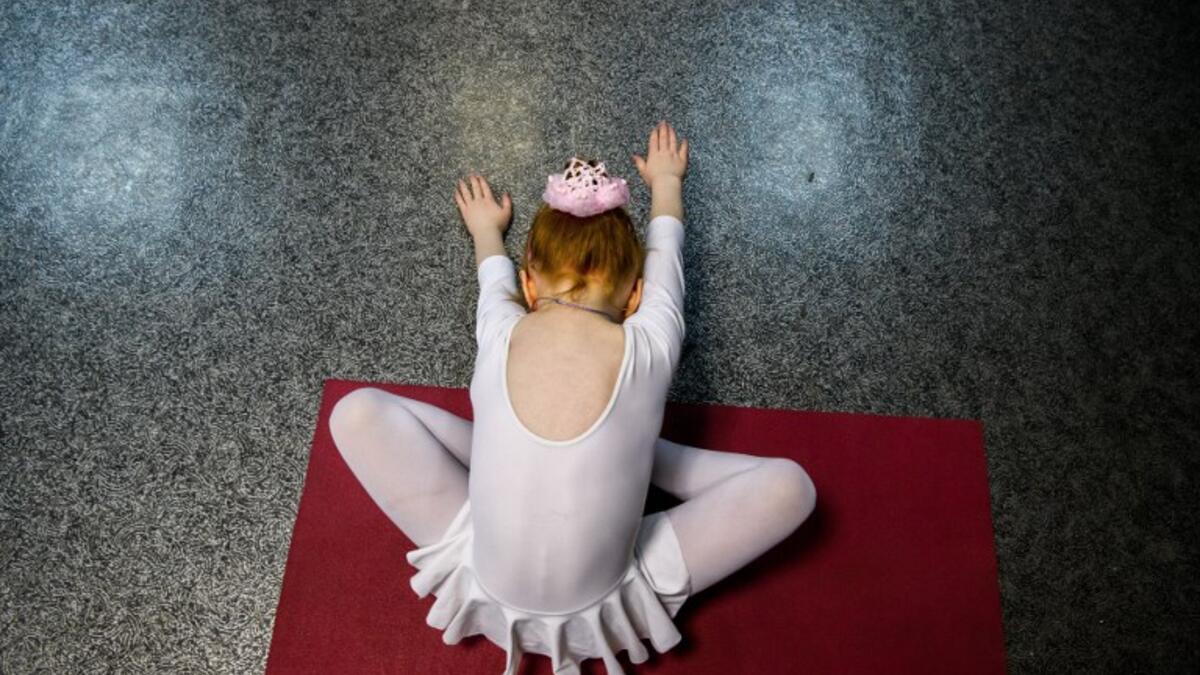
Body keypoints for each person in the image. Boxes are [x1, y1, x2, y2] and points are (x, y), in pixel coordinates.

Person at [328, 120, 817, 675]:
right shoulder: (652, 340)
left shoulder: (500, 326)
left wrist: (487, 230)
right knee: (791, 488)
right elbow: (667, 262)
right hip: (602, 615)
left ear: (529, 284)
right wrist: (665, 182)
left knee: (357, 412)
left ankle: (576, 448)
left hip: (485, 594)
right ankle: (642, 454)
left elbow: (493, 278)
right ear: (635, 297)